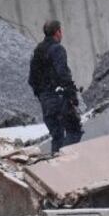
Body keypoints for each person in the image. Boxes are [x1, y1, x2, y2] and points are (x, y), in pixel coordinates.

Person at [28, 19, 83, 154]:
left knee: (57, 136)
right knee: (74, 131)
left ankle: (56, 166)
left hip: (46, 102)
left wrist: (42, 96)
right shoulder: (57, 49)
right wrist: (71, 95)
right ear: (58, 32)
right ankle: (64, 161)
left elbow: (31, 79)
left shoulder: (38, 51)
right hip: (58, 98)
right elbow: (63, 73)